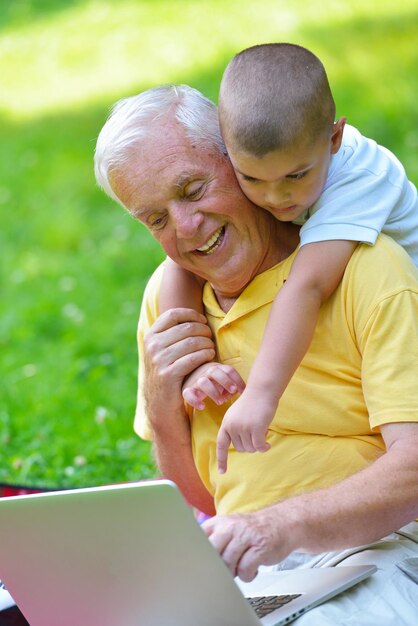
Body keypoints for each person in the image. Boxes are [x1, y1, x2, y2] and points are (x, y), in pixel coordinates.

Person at [94, 84, 418, 623]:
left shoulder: (366, 267)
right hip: (254, 571)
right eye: (155, 219)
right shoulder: (170, 300)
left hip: (380, 550)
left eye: (193, 190)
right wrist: (160, 399)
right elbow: (205, 494)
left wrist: (276, 527)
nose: (186, 228)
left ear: (238, 160)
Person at [159, 43, 418, 474]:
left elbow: (308, 286)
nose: (276, 197)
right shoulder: (277, 167)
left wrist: (260, 395)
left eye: (296, 176)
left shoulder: (362, 180)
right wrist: (194, 366)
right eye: (251, 179)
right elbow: (180, 262)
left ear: (334, 139)